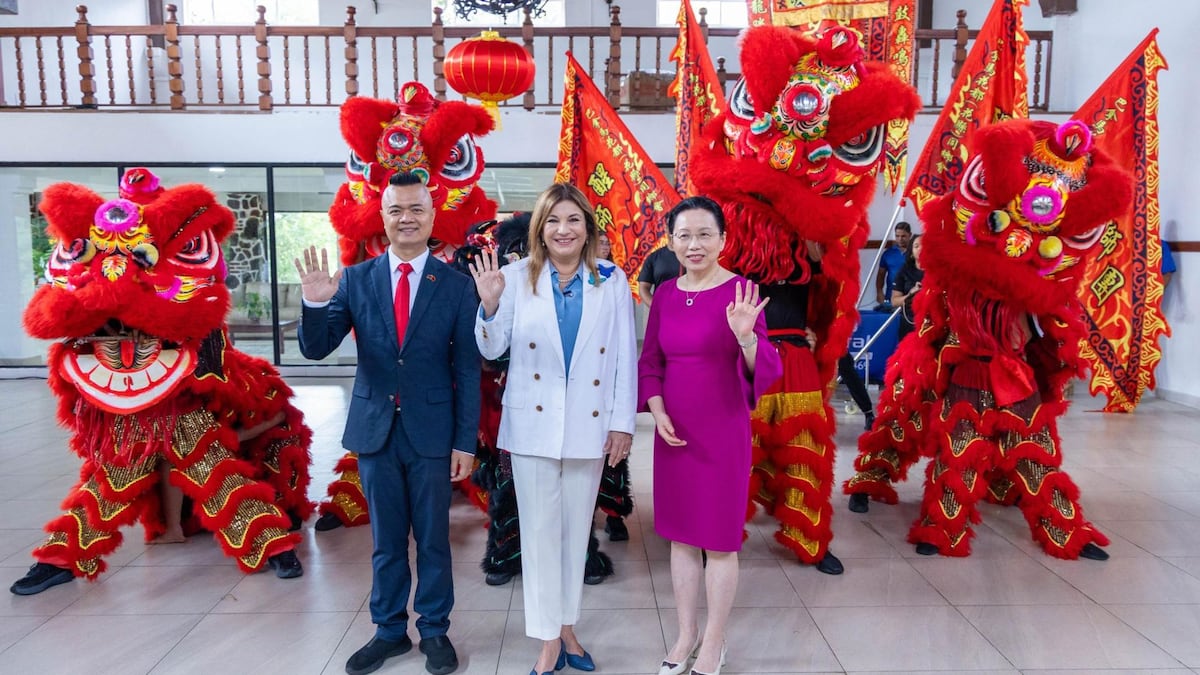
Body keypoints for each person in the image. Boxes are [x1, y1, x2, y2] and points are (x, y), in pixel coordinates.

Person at [295, 171, 481, 675]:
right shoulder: (356, 279)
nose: (407, 218)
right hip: (376, 430)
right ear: (383, 217)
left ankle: (435, 630)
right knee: (386, 541)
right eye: (396, 210)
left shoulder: (456, 286)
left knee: (434, 539)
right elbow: (317, 348)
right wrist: (315, 303)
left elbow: (467, 368)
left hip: (433, 432)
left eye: (416, 208)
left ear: (432, 216)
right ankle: (389, 631)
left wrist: (466, 441)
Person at [471, 183, 637, 675]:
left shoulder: (612, 279)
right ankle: (549, 640)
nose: (563, 230)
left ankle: (567, 627)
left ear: (587, 227)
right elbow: (491, 349)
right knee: (540, 535)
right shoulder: (513, 276)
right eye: (553, 221)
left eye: (573, 220)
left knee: (574, 533)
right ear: (540, 229)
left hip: (590, 423)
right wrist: (489, 307)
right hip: (532, 425)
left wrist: (622, 424)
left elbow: (623, 356)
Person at [638, 196, 782, 675]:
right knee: (680, 539)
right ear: (671, 242)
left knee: (719, 541)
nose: (694, 244)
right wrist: (657, 410)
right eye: (684, 235)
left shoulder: (742, 291)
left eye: (704, 234)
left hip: (721, 433)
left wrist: (746, 337)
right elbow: (651, 361)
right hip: (673, 433)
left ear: (723, 239)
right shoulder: (665, 294)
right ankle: (686, 634)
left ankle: (715, 642)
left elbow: (763, 370)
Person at [891, 234, 924, 340]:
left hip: (932, 322)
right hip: (909, 321)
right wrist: (910, 295)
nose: (921, 249)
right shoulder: (904, 270)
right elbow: (894, 301)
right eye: (916, 246)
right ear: (911, 252)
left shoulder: (938, 271)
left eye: (924, 245)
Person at [874, 221, 912, 310]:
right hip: (891, 299)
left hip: (910, 298)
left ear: (910, 235)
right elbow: (881, 275)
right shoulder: (888, 254)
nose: (900, 239)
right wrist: (879, 292)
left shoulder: (915, 252)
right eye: (897, 236)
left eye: (903, 236)